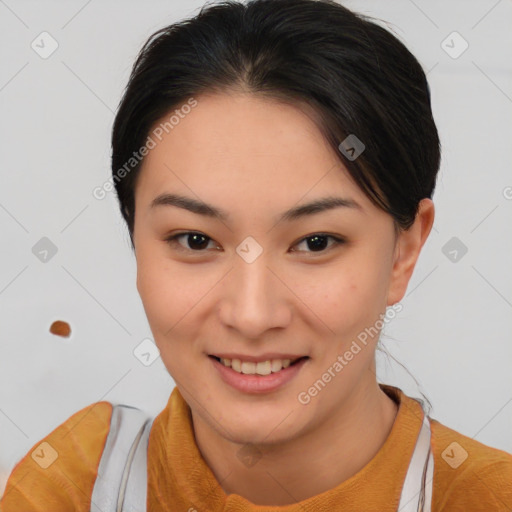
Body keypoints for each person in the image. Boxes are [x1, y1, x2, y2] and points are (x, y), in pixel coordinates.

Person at [1, 0, 511, 510]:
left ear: (405, 250)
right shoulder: (74, 487)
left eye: (315, 242)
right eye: (196, 240)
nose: (251, 315)